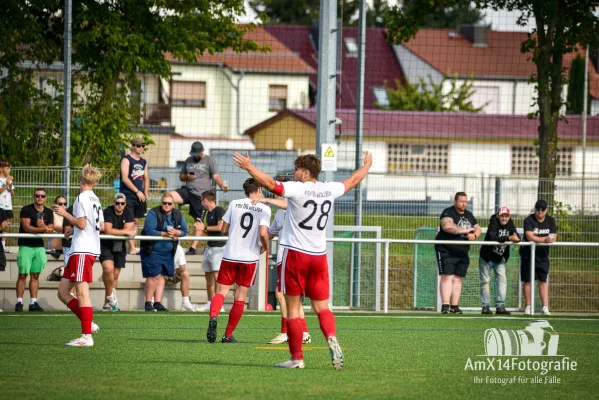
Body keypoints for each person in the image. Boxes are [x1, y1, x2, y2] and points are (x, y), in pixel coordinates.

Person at [232, 151, 372, 370]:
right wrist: (367, 165)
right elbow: (353, 180)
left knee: (293, 307)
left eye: (296, 169)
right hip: (319, 256)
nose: (294, 172)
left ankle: (296, 358)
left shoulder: (298, 188)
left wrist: (249, 167)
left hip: (296, 255)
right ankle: (331, 338)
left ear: (306, 173)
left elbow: (270, 183)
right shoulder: (329, 188)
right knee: (322, 307)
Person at [206, 178, 271, 344]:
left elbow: (223, 230)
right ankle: (227, 335)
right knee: (240, 297)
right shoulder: (264, 208)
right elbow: (263, 233)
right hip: (249, 258)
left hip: (230, 255)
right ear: (258, 190)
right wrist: (265, 247)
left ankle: (213, 317)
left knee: (221, 291)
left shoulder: (234, 204)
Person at [255, 186, 311, 345]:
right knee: (292, 296)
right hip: (283, 259)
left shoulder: (295, 206)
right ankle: (304, 332)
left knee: (281, 294)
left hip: (294, 257)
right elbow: (271, 232)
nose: (276, 194)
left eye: (279, 192)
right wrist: (260, 243)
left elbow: (287, 204)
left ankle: (286, 332)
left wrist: (265, 201)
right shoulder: (279, 213)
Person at [54, 165, 103, 346]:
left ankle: (86, 337)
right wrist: (74, 231)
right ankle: (88, 323)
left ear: (80, 179)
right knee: (63, 292)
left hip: (83, 250)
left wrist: (65, 213)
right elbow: (99, 226)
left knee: (82, 293)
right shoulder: (95, 199)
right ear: (95, 183)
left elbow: (82, 223)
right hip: (81, 248)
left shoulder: (82, 197)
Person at [169, 141, 227, 256]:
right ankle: (174, 220)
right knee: (169, 197)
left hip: (201, 195)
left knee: (198, 221)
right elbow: (181, 177)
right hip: (188, 190)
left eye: (198, 154)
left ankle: (193, 247)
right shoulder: (188, 160)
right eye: (194, 154)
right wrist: (187, 176)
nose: (196, 156)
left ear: (202, 151)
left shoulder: (209, 160)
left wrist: (222, 185)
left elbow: (215, 175)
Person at [140, 193, 188, 312]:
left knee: (161, 276)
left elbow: (184, 231)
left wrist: (176, 233)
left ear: (174, 204)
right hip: (152, 250)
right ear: (161, 203)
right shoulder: (153, 213)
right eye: (164, 203)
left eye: (169, 203)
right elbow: (149, 230)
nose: (166, 205)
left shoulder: (178, 214)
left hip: (168, 251)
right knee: (153, 276)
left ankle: (157, 302)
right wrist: (165, 234)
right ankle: (148, 303)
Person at [435, 192, 481, 315]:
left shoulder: (469, 215)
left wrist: (474, 235)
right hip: (446, 249)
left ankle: (454, 306)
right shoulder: (448, 212)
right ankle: (445, 306)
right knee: (447, 276)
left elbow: (477, 227)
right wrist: (466, 230)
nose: (464, 204)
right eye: (461, 201)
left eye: (465, 201)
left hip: (462, 251)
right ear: (455, 201)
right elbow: (447, 226)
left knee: (458, 278)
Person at [15, 188, 54, 312]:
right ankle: (19, 302)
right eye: (37, 195)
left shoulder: (48, 212)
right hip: (25, 245)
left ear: (45, 198)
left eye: (42, 196)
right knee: (22, 275)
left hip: (39, 246)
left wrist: (44, 228)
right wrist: (43, 228)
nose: (40, 198)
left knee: (35, 275)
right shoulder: (26, 209)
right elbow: (26, 227)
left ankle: (33, 302)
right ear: (34, 197)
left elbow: (51, 229)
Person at [479, 206, 520, 315]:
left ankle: (500, 306)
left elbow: (516, 235)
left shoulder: (510, 223)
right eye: (502, 216)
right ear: (498, 216)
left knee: (502, 281)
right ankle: (485, 306)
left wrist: (517, 238)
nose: (504, 218)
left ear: (509, 217)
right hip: (486, 258)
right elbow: (492, 237)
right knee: (485, 281)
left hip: (499, 258)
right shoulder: (493, 222)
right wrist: (508, 238)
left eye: (506, 216)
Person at [520, 199, 557, 316]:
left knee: (542, 280)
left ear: (546, 210)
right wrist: (544, 240)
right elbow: (529, 236)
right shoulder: (528, 220)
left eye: (542, 210)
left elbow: (553, 236)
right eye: (538, 209)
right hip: (528, 255)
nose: (540, 212)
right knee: (528, 281)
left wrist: (548, 240)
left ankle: (545, 307)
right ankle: (528, 306)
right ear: (535, 209)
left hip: (543, 256)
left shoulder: (551, 221)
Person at [100, 193, 136, 311]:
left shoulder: (129, 212)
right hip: (106, 244)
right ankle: (110, 299)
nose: (120, 205)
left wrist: (123, 232)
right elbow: (108, 231)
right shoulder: (108, 211)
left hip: (120, 245)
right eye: (117, 203)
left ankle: (108, 302)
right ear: (113, 203)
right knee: (107, 269)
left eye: (122, 203)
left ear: (125, 204)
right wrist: (124, 232)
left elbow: (128, 230)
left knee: (115, 275)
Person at [196, 190, 226, 311]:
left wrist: (204, 227)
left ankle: (220, 304)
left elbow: (220, 227)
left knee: (216, 276)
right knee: (208, 276)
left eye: (202, 200)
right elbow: (208, 230)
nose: (201, 203)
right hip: (209, 247)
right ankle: (210, 302)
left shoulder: (219, 210)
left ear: (206, 200)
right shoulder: (208, 213)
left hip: (218, 247)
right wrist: (202, 229)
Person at [120, 137, 149, 255]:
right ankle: (131, 247)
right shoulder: (126, 160)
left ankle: (133, 245)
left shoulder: (144, 162)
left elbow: (146, 178)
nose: (141, 148)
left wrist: (145, 192)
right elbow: (125, 178)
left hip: (140, 195)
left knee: (136, 221)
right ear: (132, 146)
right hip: (128, 194)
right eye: (138, 145)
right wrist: (137, 191)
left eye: (143, 146)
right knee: (129, 220)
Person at [173, 244, 199, 311]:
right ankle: (151, 302)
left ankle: (185, 302)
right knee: (154, 274)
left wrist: (175, 270)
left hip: (171, 273)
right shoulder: (159, 245)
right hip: (160, 273)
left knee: (185, 274)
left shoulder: (178, 248)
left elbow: (183, 267)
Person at [0, 160, 14, 252]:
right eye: (7, 168)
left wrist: (10, 185)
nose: (9, 170)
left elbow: (12, 193)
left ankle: (3, 246)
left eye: (10, 168)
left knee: (6, 226)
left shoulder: (9, 179)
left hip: (8, 206)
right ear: (1, 169)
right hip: (0, 206)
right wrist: (6, 185)